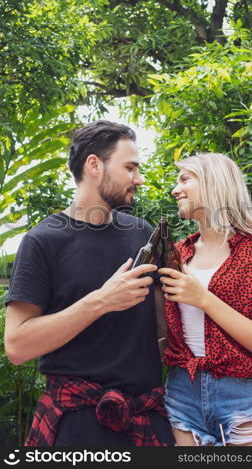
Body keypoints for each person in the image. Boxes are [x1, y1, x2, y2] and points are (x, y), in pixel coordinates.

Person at [4, 120, 175, 447]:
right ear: (94, 165)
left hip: (147, 417)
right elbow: (17, 346)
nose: (138, 178)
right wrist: (102, 301)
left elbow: (165, 329)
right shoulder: (43, 240)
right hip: (76, 423)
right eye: (130, 167)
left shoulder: (142, 233)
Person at [158, 153, 252, 446]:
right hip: (182, 394)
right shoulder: (178, 254)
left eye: (184, 179)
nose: (175, 190)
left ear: (213, 184)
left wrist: (204, 299)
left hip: (246, 397)